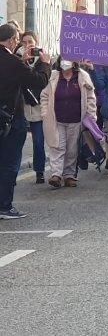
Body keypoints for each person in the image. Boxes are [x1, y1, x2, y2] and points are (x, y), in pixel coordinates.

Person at [0, 24, 51, 218]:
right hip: (11, 120)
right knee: (10, 163)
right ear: (13, 40)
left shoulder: (13, 61)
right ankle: (5, 205)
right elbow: (38, 81)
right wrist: (45, 63)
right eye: (17, 40)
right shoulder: (12, 62)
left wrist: (19, 61)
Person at [40, 57, 97, 188]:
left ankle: (69, 175)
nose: (65, 63)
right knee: (57, 146)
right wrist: (45, 113)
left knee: (72, 149)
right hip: (57, 119)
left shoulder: (82, 76)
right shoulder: (53, 76)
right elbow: (44, 96)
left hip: (76, 120)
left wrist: (91, 115)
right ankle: (56, 174)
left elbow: (90, 97)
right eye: (63, 60)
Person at [16, 32, 46, 184]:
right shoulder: (16, 59)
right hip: (20, 108)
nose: (28, 45)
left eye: (31, 42)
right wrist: (21, 61)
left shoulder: (43, 60)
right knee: (16, 142)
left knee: (38, 141)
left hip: (37, 109)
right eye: (24, 42)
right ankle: (12, 172)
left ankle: (39, 171)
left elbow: (43, 82)